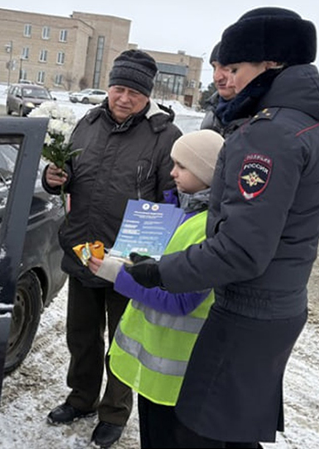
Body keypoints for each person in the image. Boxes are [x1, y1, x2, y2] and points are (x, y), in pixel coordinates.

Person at [125, 7, 319, 448]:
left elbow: (241, 249)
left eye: (235, 67)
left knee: (199, 431)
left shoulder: (270, 133)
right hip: (279, 303)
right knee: (235, 430)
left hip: (248, 309)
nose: (227, 78)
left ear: (271, 65)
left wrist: (162, 270)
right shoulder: (308, 124)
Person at [42, 49, 182, 448]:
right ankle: (81, 397)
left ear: (147, 95)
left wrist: (149, 254)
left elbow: (174, 198)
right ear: (109, 86)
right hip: (84, 249)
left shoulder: (164, 136)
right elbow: (67, 177)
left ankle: (114, 411)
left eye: (133, 92)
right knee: (81, 336)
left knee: (124, 341)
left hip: (127, 261)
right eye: (118, 88)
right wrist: (53, 178)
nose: (123, 98)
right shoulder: (86, 124)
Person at [87, 129, 224, 449]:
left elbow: (182, 300)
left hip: (176, 373)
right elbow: (159, 266)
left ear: (206, 173)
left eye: (182, 166)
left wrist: (119, 275)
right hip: (157, 366)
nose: (172, 172)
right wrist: (126, 258)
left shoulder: (208, 228)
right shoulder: (183, 213)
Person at [200, 41, 237, 133]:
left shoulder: (262, 117)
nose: (217, 77)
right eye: (214, 68)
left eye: (225, 67)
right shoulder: (212, 112)